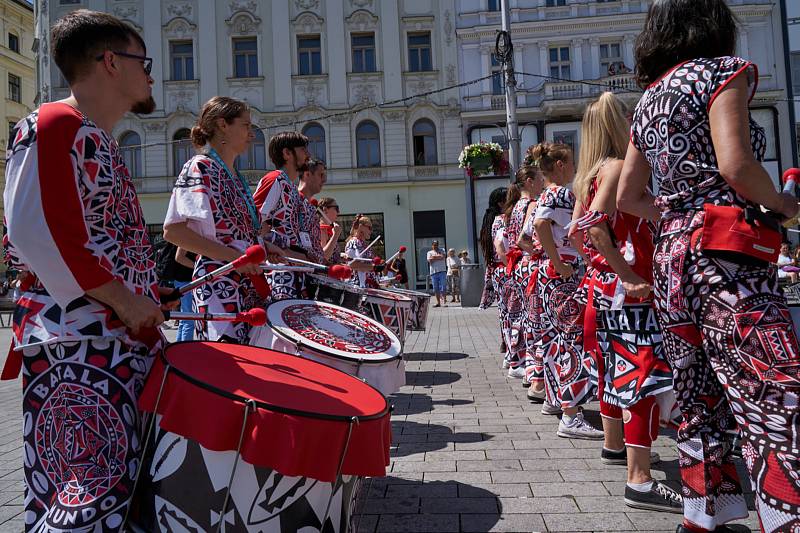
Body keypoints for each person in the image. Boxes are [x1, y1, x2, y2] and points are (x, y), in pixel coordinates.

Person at [617, 1, 800, 530]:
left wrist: (676, 214)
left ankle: (703, 518)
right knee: (774, 389)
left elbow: (629, 197)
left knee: (697, 397)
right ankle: (786, 517)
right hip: (727, 261)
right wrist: (781, 205)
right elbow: (737, 165)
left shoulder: (649, 99)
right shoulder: (724, 73)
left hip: (672, 263)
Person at [1, 10, 171, 531]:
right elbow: (35, 231)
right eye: (144, 62)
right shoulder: (55, 123)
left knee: (112, 492)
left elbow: (96, 238)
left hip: (106, 340)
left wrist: (143, 291)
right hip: (78, 342)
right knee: (83, 495)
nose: (151, 75)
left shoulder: (95, 137)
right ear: (111, 62)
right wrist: (123, 299)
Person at [572, 92, 681, 513]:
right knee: (643, 378)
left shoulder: (589, 175)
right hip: (626, 293)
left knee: (616, 373)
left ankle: (616, 447)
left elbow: (580, 233)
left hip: (603, 292)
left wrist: (603, 268)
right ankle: (640, 479)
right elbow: (595, 227)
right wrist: (627, 272)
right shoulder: (618, 168)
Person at [163, 96, 278, 343]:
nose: (252, 134)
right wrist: (236, 259)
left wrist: (267, 248)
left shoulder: (236, 177)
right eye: (246, 125)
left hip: (247, 286)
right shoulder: (200, 167)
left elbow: (239, 236)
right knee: (233, 368)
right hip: (220, 287)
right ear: (223, 124)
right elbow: (174, 231)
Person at [529, 142, 603, 439]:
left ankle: (555, 400)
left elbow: (536, 228)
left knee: (552, 339)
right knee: (570, 341)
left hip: (550, 274)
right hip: (561, 275)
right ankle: (571, 415)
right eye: (572, 163)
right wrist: (563, 261)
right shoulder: (560, 193)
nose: (575, 168)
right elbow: (541, 224)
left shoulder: (546, 193)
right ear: (560, 166)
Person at [253, 131, 311, 300]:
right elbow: (251, 224)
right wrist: (273, 249)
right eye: (302, 149)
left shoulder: (290, 187)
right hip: (279, 277)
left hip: (295, 272)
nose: (308, 154)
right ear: (287, 153)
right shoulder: (275, 180)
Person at [502, 167, 543, 381]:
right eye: (539, 179)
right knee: (532, 318)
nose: (542, 182)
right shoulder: (530, 204)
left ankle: (519, 362)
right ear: (529, 181)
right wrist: (539, 252)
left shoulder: (516, 206)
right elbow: (523, 239)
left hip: (517, 265)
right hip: (527, 264)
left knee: (520, 315)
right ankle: (531, 368)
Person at [479, 187, 508, 356]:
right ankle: (509, 346)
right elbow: (500, 247)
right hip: (504, 268)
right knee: (511, 311)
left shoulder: (489, 221)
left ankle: (505, 342)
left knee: (503, 310)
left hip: (495, 271)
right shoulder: (501, 220)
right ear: (501, 203)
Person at [297, 158, 326, 264]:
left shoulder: (311, 207)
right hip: (296, 274)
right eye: (320, 175)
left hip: (312, 272)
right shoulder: (292, 199)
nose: (324, 180)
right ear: (307, 174)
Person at [345, 215, 379, 288]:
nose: (371, 231)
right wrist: (374, 267)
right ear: (361, 226)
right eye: (369, 228)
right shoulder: (353, 243)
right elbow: (352, 265)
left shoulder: (364, 244)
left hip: (367, 287)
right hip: (357, 287)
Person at [318, 196, 344, 264]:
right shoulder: (321, 229)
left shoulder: (329, 229)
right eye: (336, 209)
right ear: (325, 210)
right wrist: (335, 235)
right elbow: (323, 256)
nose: (338, 212)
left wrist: (340, 255)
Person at [427, 240, 447, 306]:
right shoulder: (429, 252)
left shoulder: (442, 250)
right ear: (432, 245)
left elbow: (443, 257)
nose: (435, 246)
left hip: (442, 271)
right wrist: (438, 257)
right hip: (433, 272)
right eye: (434, 245)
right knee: (436, 288)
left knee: (443, 286)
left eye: (436, 244)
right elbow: (430, 261)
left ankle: (444, 302)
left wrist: (434, 257)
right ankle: (438, 302)